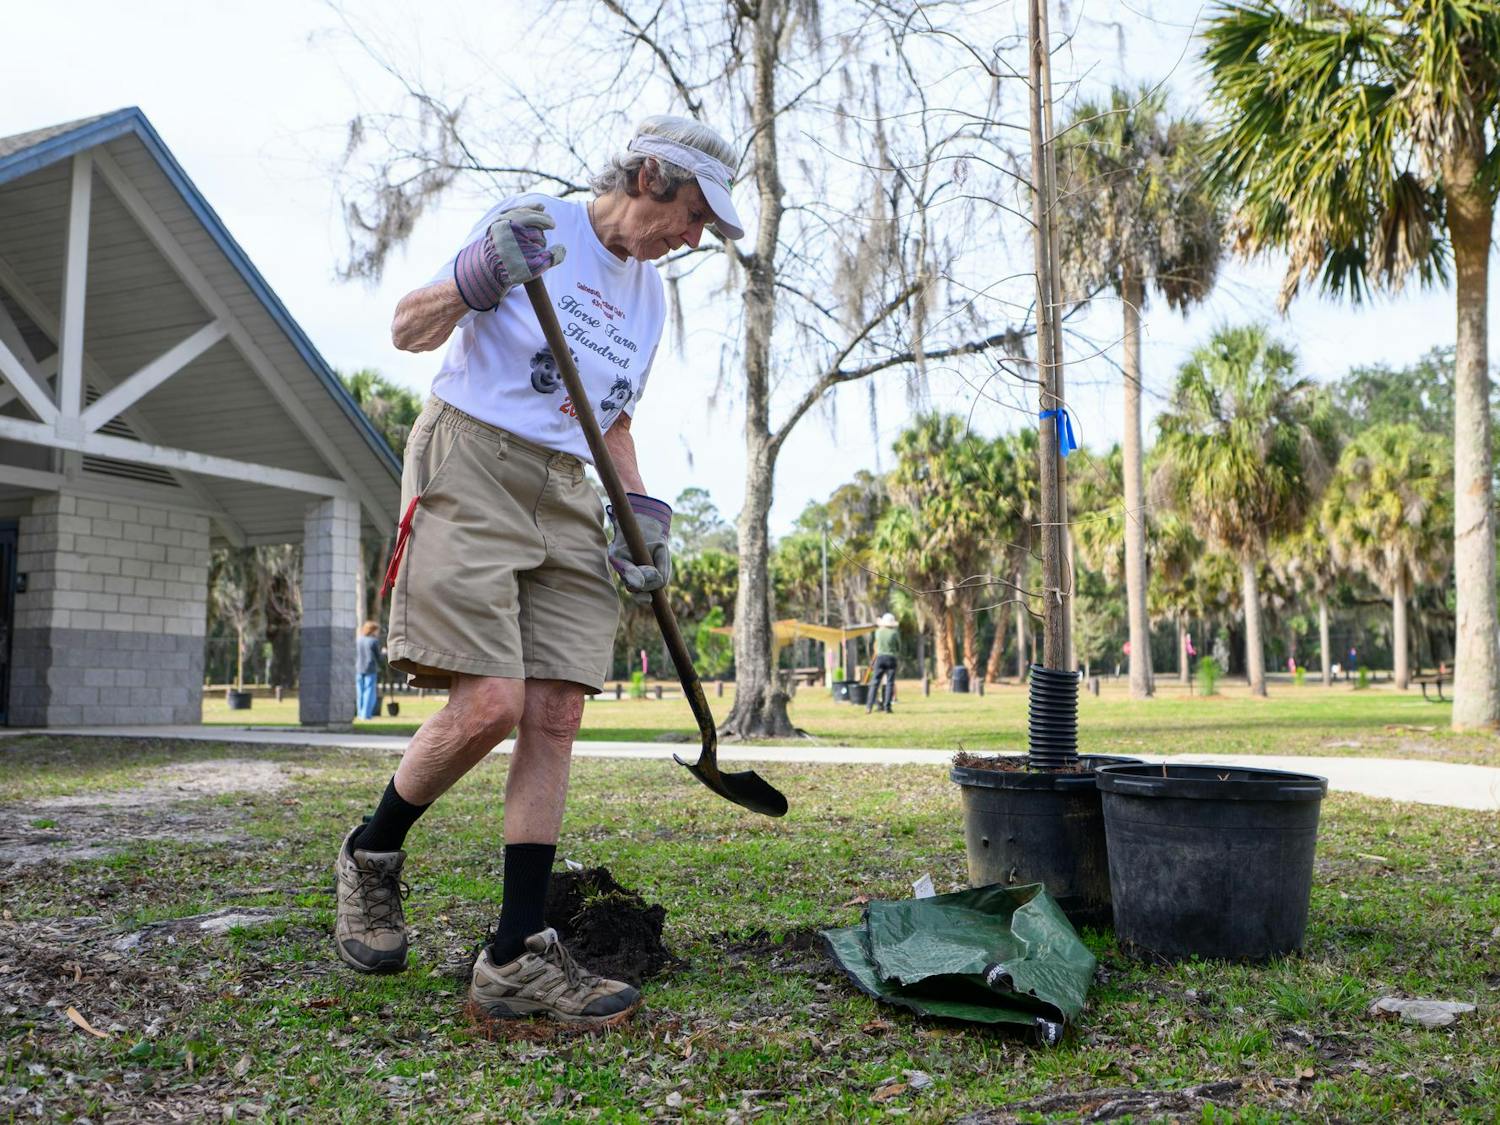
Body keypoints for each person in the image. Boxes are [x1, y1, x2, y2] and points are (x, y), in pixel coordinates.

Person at [332, 116, 745, 1030]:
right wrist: (480, 273)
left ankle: (516, 957)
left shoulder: (651, 301)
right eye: (690, 214)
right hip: (471, 457)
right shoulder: (533, 228)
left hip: (568, 485)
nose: (694, 238)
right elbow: (408, 327)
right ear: (646, 175)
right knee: (491, 703)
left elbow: (615, 419)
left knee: (557, 709)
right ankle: (371, 853)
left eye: (706, 227)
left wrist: (640, 514)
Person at [867, 612, 900, 714]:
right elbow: (898, 646)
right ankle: (887, 707)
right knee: (890, 683)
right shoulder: (894, 633)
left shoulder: (878, 632)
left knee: (875, 682)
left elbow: (876, 643)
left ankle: (869, 706)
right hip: (891, 658)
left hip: (880, 658)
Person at [356, 621, 383, 720]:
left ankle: (359, 713)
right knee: (369, 692)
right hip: (370, 668)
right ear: (372, 630)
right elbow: (379, 657)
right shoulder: (373, 641)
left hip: (358, 668)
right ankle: (366, 715)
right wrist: (384, 653)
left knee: (360, 691)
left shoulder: (358, 640)